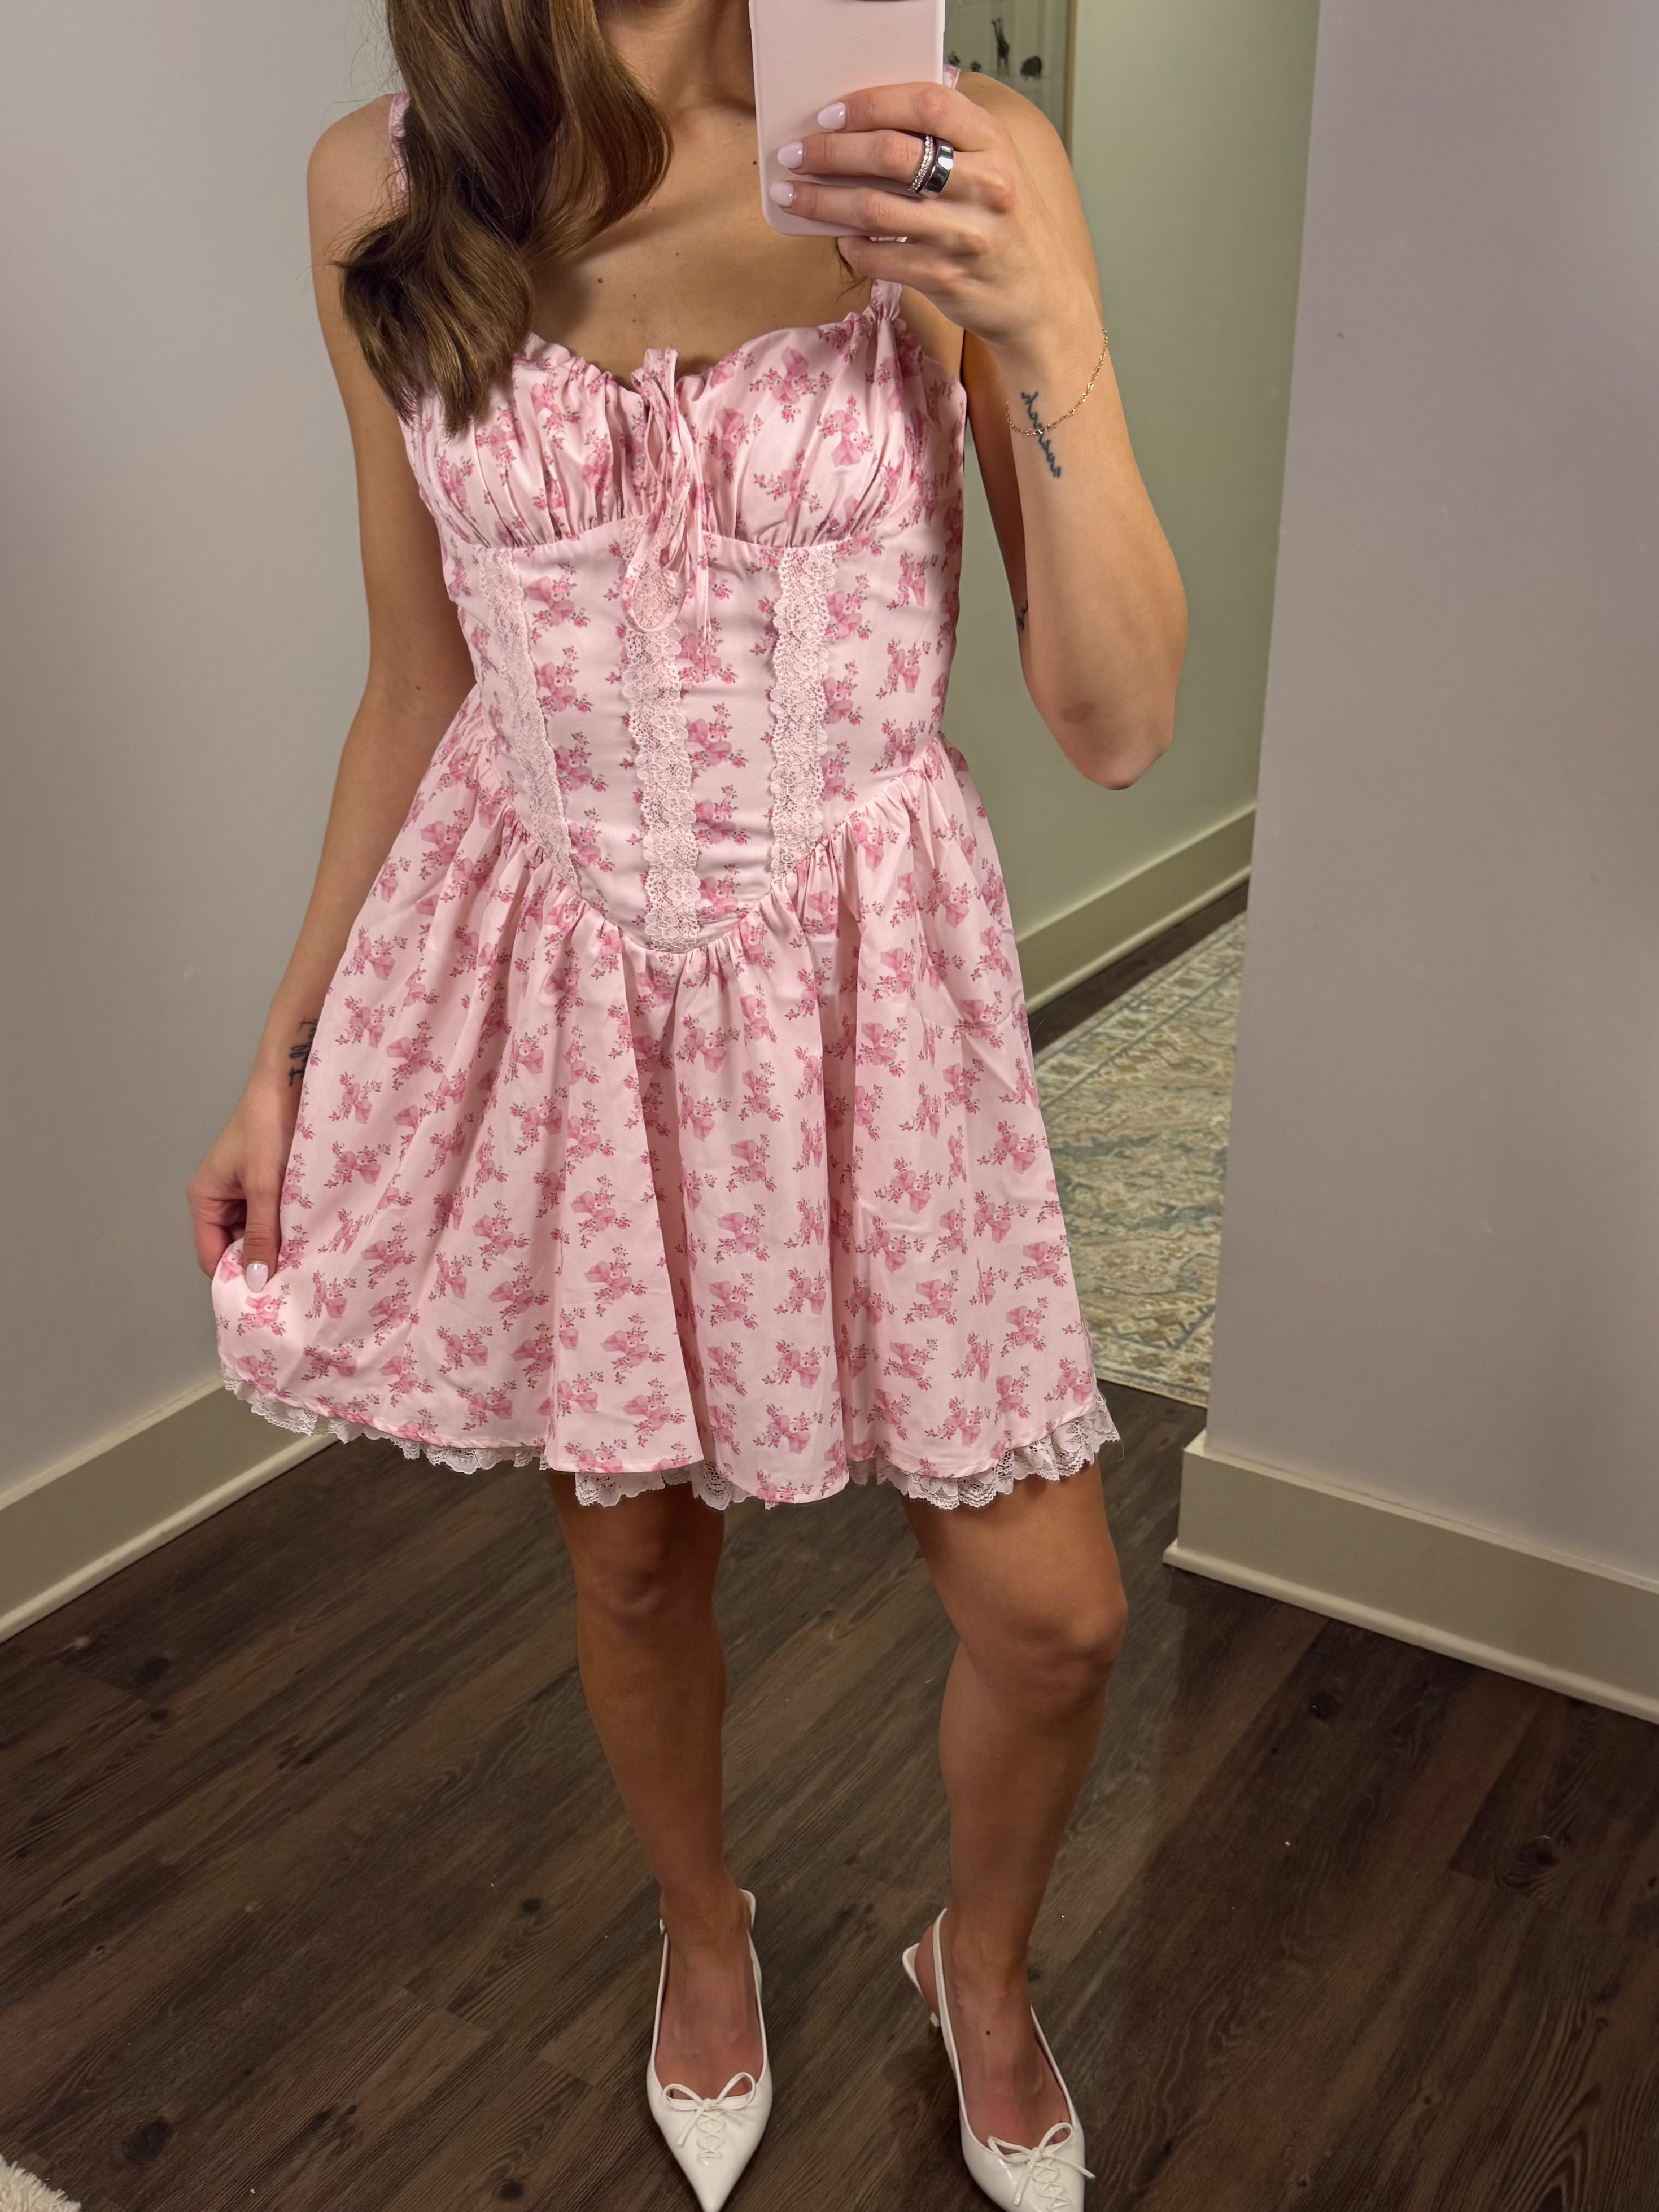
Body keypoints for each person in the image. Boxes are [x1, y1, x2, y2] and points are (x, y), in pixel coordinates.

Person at [187, 2, 1185, 2203]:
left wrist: (1037, 327)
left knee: (1058, 1610)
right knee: (634, 1559)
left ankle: (980, 1966)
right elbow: (413, 676)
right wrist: (285, 1044)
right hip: (562, 974)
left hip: (869, 996)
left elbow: (1115, 718)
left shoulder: (941, 146)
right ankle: (704, 1930)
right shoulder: (387, 183)